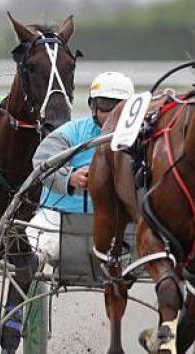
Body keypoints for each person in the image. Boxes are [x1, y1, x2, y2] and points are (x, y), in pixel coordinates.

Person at [27, 71, 135, 264]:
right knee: (35, 246)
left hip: (116, 222)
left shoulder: (139, 136)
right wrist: (70, 178)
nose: (112, 114)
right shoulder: (70, 132)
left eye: (119, 107)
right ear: (93, 107)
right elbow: (42, 161)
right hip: (58, 219)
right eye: (105, 106)